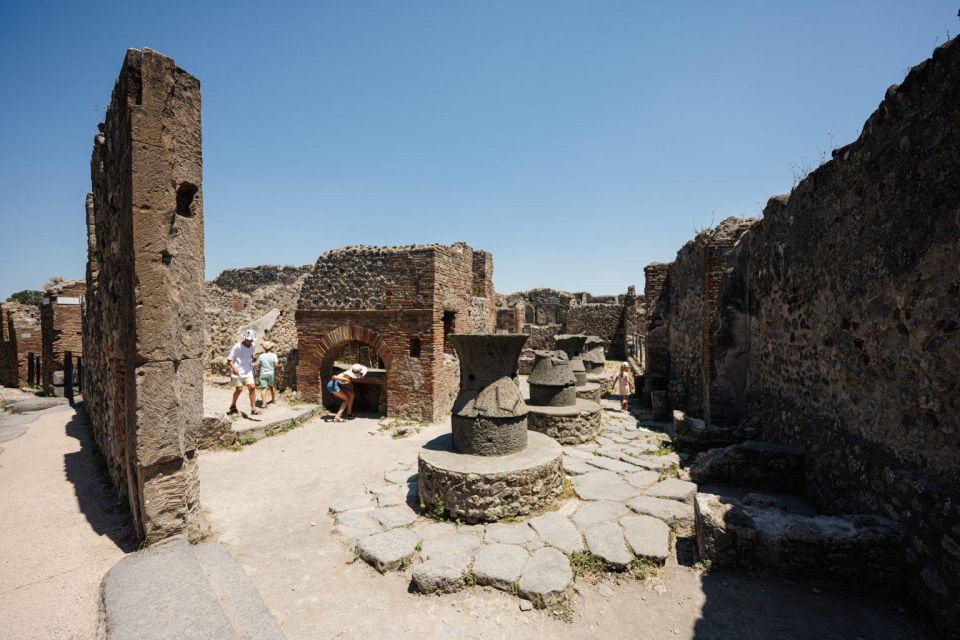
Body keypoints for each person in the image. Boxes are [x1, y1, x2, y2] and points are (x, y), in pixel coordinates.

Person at [228, 329, 258, 416]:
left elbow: (250, 356)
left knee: (252, 387)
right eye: (248, 339)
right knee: (239, 389)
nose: (250, 341)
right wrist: (234, 368)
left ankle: (253, 409)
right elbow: (229, 360)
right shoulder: (237, 346)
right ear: (244, 338)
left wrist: (254, 358)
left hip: (248, 370)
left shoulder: (253, 346)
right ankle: (233, 405)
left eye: (251, 340)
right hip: (237, 371)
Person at [257, 341, 279, 408]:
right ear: (270, 348)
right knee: (272, 386)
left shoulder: (261, 356)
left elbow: (258, 366)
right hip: (271, 373)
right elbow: (276, 365)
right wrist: (278, 365)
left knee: (264, 388)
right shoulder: (274, 355)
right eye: (272, 347)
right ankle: (273, 400)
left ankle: (264, 403)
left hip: (263, 374)